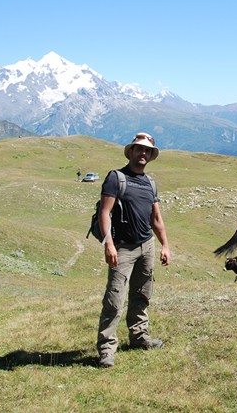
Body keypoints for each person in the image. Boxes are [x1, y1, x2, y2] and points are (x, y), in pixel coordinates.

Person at [96, 132, 171, 368]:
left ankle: (139, 338)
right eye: (139, 149)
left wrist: (165, 245)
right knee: (114, 300)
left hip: (146, 246)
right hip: (122, 249)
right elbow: (104, 213)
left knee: (142, 294)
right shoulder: (116, 178)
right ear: (131, 152)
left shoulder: (150, 183)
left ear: (150, 155)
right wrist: (108, 244)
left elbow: (156, 217)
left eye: (147, 150)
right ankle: (107, 349)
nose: (143, 153)